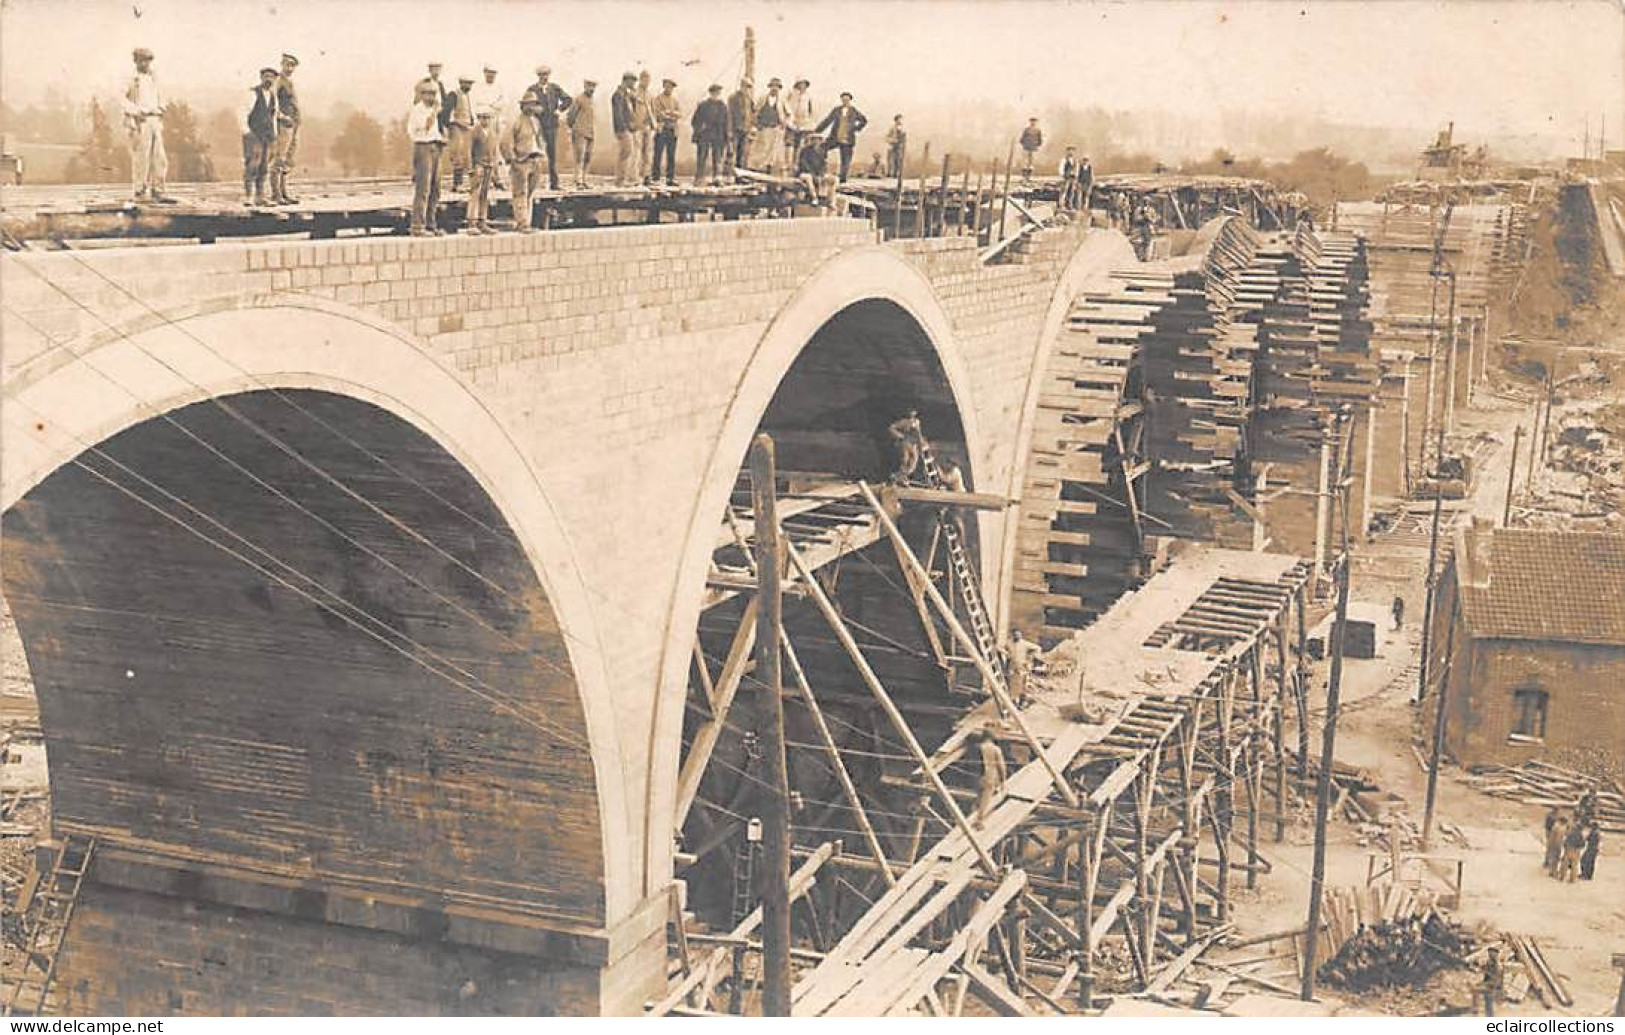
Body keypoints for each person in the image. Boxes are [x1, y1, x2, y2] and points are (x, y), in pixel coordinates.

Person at [123, 47, 171, 203]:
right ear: (136, 61)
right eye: (141, 60)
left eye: (147, 60)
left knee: (159, 156)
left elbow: (163, 95)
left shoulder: (155, 78)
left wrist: (162, 107)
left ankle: (158, 189)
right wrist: (135, 111)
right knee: (141, 156)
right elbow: (122, 99)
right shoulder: (131, 79)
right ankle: (140, 190)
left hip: (155, 119)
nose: (145, 63)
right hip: (140, 120)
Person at [406, 80, 445, 236]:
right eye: (428, 93)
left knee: (436, 188)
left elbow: (434, 130)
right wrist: (435, 112)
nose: (432, 97)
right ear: (422, 95)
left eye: (434, 94)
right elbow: (425, 127)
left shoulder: (432, 110)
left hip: (435, 147)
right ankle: (418, 225)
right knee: (424, 188)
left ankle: (430, 223)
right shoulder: (418, 110)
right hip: (423, 147)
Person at [522, 65, 570, 190]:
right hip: (536, 124)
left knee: (552, 154)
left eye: (546, 75)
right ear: (538, 76)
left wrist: (559, 110)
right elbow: (524, 106)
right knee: (533, 152)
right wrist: (534, 110)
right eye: (541, 75)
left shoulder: (554, 88)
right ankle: (530, 182)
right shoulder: (532, 89)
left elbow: (568, 99)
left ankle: (554, 183)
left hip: (551, 125)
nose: (544, 77)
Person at [502, 96, 544, 231]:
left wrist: (542, 153)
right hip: (521, 160)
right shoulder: (516, 121)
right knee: (520, 193)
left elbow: (540, 138)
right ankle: (522, 223)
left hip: (535, 159)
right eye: (529, 104)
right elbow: (506, 142)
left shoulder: (536, 121)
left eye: (534, 104)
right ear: (523, 106)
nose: (532, 107)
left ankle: (527, 222)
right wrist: (512, 158)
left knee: (530, 193)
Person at [241, 66, 279, 206]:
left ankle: (260, 196)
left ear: (275, 80)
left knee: (264, 166)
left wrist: (274, 134)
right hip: (254, 135)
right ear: (261, 78)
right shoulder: (253, 94)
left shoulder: (273, 96)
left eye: (272, 77)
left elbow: (273, 116)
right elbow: (242, 112)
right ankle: (248, 196)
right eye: (266, 76)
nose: (269, 79)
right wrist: (247, 132)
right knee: (252, 165)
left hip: (267, 136)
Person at [269, 53, 301, 204]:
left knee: (288, 159)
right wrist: (282, 116)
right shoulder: (278, 82)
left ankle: (283, 192)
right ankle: (276, 194)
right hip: (283, 125)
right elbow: (272, 102)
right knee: (279, 158)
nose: (289, 68)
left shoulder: (289, 82)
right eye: (287, 64)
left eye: (292, 65)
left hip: (293, 125)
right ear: (282, 64)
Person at [814, 92, 867, 182]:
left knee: (845, 159)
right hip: (835, 137)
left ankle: (843, 179)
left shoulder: (854, 111)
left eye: (847, 100)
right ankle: (820, 171)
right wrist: (816, 131)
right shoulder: (837, 110)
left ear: (850, 100)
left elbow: (864, 120)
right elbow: (828, 120)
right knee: (822, 148)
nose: (845, 101)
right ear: (841, 100)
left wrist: (856, 129)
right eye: (843, 100)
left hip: (848, 139)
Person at [471, 65, 506, 189]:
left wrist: (492, 106)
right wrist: (486, 109)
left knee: (494, 149)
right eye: (489, 73)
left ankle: (497, 177)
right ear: (484, 73)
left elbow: (502, 103)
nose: (491, 76)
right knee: (482, 150)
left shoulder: (499, 88)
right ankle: (487, 179)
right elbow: (476, 104)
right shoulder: (478, 88)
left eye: (493, 73)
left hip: (495, 119)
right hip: (483, 120)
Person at [691, 84, 730, 186]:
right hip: (705, 135)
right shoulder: (703, 105)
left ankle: (717, 178)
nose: (716, 95)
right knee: (702, 156)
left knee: (718, 157)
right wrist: (700, 128)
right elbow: (695, 121)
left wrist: (726, 135)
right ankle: (699, 178)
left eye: (718, 93)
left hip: (718, 134)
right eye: (714, 93)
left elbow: (726, 122)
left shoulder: (723, 106)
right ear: (710, 93)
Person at [609, 72, 640, 187]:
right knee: (626, 152)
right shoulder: (618, 95)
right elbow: (618, 115)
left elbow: (631, 112)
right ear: (627, 81)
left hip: (628, 129)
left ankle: (624, 179)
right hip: (622, 129)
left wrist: (634, 99)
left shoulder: (627, 95)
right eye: (633, 82)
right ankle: (620, 180)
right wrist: (625, 127)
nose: (634, 84)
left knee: (628, 152)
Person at [446, 75, 476, 191]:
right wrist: (456, 123)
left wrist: (471, 123)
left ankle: (463, 183)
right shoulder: (454, 94)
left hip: (467, 127)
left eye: (470, 84)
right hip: (456, 127)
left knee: (466, 156)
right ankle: (457, 184)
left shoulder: (467, 96)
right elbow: (448, 114)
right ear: (461, 83)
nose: (469, 86)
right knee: (457, 155)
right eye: (466, 83)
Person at [971, 728, 1007, 823]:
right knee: (986, 800)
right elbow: (1001, 766)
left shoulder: (977, 747)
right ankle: (980, 820)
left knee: (978, 798)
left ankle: (972, 818)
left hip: (978, 775)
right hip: (990, 775)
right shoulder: (995, 749)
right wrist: (1003, 780)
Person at [753, 78, 787, 174]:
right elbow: (756, 111)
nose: (774, 88)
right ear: (770, 87)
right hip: (764, 127)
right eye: (773, 86)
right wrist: (757, 124)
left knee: (774, 150)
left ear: (779, 88)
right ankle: (760, 169)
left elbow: (789, 113)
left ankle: (770, 168)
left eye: (777, 86)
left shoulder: (782, 100)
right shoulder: (763, 98)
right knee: (763, 148)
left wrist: (784, 123)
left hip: (776, 127)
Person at [650, 78, 681, 186]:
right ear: (664, 86)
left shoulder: (675, 100)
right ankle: (655, 177)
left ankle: (670, 177)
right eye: (667, 86)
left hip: (672, 130)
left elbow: (679, 114)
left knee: (671, 154)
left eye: (671, 87)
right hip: (661, 129)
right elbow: (657, 113)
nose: (669, 89)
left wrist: (670, 114)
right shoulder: (658, 99)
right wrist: (670, 114)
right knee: (658, 153)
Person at [567, 80, 597, 189]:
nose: (591, 89)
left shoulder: (593, 100)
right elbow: (571, 115)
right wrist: (574, 128)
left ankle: (584, 179)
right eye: (589, 86)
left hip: (590, 132)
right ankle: (578, 180)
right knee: (579, 157)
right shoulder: (579, 99)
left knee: (588, 157)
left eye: (593, 86)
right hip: (580, 132)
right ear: (585, 86)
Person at [726, 77, 756, 178]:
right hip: (735, 130)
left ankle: (739, 176)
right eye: (745, 86)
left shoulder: (749, 99)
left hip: (745, 130)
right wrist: (729, 130)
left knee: (742, 154)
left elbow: (753, 114)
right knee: (731, 153)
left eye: (749, 87)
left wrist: (752, 127)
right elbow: (729, 114)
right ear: (741, 86)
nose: (747, 89)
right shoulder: (733, 98)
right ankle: (729, 175)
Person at [1004, 629, 1042, 705]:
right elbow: (1001, 648)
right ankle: (1013, 702)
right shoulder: (1009, 643)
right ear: (1012, 635)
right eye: (1015, 635)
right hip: (1012, 666)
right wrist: (1007, 654)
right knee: (1012, 685)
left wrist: (1030, 658)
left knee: (1023, 685)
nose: (1017, 637)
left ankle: (1022, 701)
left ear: (1021, 636)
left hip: (1022, 667)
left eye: (1018, 635)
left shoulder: (1024, 644)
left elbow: (1038, 648)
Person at [785, 78, 814, 172]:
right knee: (789, 143)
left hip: (803, 123)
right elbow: (787, 106)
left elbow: (810, 111)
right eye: (800, 84)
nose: (802, 86)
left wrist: (808, 122)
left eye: (804, 84)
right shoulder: (792, 95)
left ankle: (797, 164)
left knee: (800, 144)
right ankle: (787, 164)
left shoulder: (808, 97)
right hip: (792, 122)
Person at [796, 132, 833, 205]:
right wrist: (814, 175)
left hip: (818, 174)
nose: (816, 141)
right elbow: (804, 165)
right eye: (814, 139)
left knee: (834, 179)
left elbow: (824, 165)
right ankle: (814, 198)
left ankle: (831, 201)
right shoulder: (805, 150)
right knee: (808, 178)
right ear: (811, 140)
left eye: (818, 139)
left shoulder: (822, 151)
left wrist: (821, 175)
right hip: (805, 173)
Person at [888, 409, 922, 484]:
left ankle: (902, 476)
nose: (912, 414)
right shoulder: (903, 422)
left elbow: (918, 433)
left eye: (914, 412)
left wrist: (920, 441)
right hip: (905, 443)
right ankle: (898, 478)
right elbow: (891, 428)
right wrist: (899, 436)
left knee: (914, 461)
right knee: (905, 460)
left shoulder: (917, 422)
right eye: (911, 413)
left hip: (914, 444)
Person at [634, 70, 655, 185]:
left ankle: (646, 176)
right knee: (636, 152)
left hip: (648, 126)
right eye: (644, 79)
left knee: (647, 153)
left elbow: (653, 110)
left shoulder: (650, 95)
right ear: (640, 79)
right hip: (637, 126)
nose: (646, 82)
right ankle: (636, 177)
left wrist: (653, 123)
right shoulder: (634, 93)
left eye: (648, 80)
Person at [1479, 946, 1503, 1017]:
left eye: (1492, 953)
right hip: (1488, 984)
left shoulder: (1497, 965)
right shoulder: (1489, 962)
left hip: (1493, 985)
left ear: (1496, 954)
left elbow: (1497, 977)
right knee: (1487, 1002)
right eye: (1489, 953)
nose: (1490, 954)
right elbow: (1486, 975)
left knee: (1489, 1002)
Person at [1543, 806, 1565, 875]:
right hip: (1554, 838)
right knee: (1554, 854)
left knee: (1549, 849)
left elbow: (1546, 825)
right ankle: (1552, 869)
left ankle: (1547, 862)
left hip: (1550, 833)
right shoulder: (1556, 821)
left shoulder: (1549, 815)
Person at [884, 114, 906, 179]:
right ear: (896, 120)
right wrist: (893, 141)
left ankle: (896, 174)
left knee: (898, 160)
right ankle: (889, 173)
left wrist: (902, 141)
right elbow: (887, 137)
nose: (900, 121)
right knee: (891, 160)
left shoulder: (902, 128)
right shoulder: (892, 128)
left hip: (898, 146)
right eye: (899, 119)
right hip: (892, 146)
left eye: (901, 119)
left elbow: (903, 138)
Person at [1058, 146, 1079, 210]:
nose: (1071, 152)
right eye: (1070, 150)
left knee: (1071, 192)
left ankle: (1069, 205)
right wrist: (1063, 175)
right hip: (1066, 177)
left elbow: (1077, 169)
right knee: (1064, 191)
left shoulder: (1075, 160)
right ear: (1067, 151)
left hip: (1072, 178)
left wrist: (1076, 175)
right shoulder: (1064, 159)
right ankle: (1061, 204)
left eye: (1072, 151)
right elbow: (1061, 168)